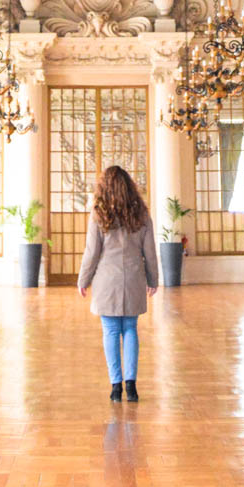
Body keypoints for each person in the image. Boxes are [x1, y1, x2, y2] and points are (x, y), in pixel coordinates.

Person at [78, 164, 159, 403]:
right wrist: (153, 279)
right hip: (134, 278)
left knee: (111, 331)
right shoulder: (142, 214)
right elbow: (150, 252)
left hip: (107, 281)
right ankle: (131, 386)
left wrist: (83, 279)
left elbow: (92, 252)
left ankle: (116, 386)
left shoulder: (99, 214)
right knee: (131, 329)